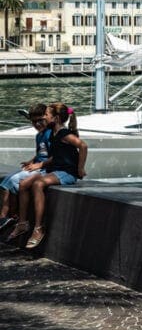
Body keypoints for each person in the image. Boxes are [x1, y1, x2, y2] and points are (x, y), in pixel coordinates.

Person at [7, 102, 87, 249]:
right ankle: (23, 223)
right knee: (23, 184)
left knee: (38, 184)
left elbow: (83, 145)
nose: (44, 117)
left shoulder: (64, 134)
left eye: (47, 115)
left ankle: (38, 228)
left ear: (55, 118)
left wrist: (80, 168)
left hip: (67, 173)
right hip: (55, 170)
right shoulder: (52, 132)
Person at [0, 104, 50, 233]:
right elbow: (41, 153)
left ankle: (11, 216)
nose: (37, 124)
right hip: (36, 166)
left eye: (40, 120)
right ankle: (4, 217)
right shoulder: (39, 135)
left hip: (45, 169)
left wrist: (39, 165)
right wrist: (31, 161)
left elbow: (56, 155)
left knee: (14, 180)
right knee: (5, 183)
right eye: (34, 122)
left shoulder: (50, 134)